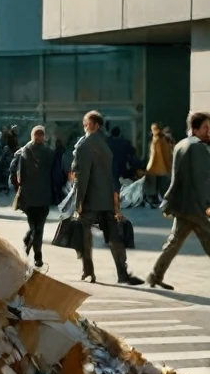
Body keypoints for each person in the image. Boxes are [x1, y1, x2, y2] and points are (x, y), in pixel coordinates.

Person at [72, 111, 143, 285]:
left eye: (87, 123)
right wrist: (115, 197)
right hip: (107, 198)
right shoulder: (108, 144)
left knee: (85, 235)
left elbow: (82, 176)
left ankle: (88, 271)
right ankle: (122, 272)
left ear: (96, 125)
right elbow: (114, 173)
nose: (84, 126)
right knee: (113, 236)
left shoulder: (85, 145)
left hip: (90, 199)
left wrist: (78, 202)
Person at [146, 112, 210, 290]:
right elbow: (202, 180)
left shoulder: (182, 144)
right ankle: (154, 275)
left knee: (174, 242)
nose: (209, 131)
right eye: (206, 127)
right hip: (197, 206)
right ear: (195, 128)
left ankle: (155, 275)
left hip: (183, 204)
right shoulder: (197, 147)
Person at [14, 126, 55, 268]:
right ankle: (36, 255)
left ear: (44, 136)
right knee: (36, 228)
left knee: (37, 228)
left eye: (40, 135)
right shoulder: (26, 152)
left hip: (40, 196)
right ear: (32, 135)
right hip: (31, 197)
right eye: (36, 134)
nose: (38, 137)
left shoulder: (47, 153)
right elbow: (16, 172)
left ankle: (31, 248)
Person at [0, 127, 20, 212]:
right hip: (5, 170)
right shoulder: (10, 147)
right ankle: (16, 204)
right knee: (9, 188)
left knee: (2, 188)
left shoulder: (8, 147)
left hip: (5, 170)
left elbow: (1, 160)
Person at [146, 122, 172, 205]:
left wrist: (149, 167)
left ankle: (155, 198)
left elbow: (154, 155)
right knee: (161, 184)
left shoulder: (156, 140)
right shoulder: (163, 139)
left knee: (156, 184)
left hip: (156, 166)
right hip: (163, 166)